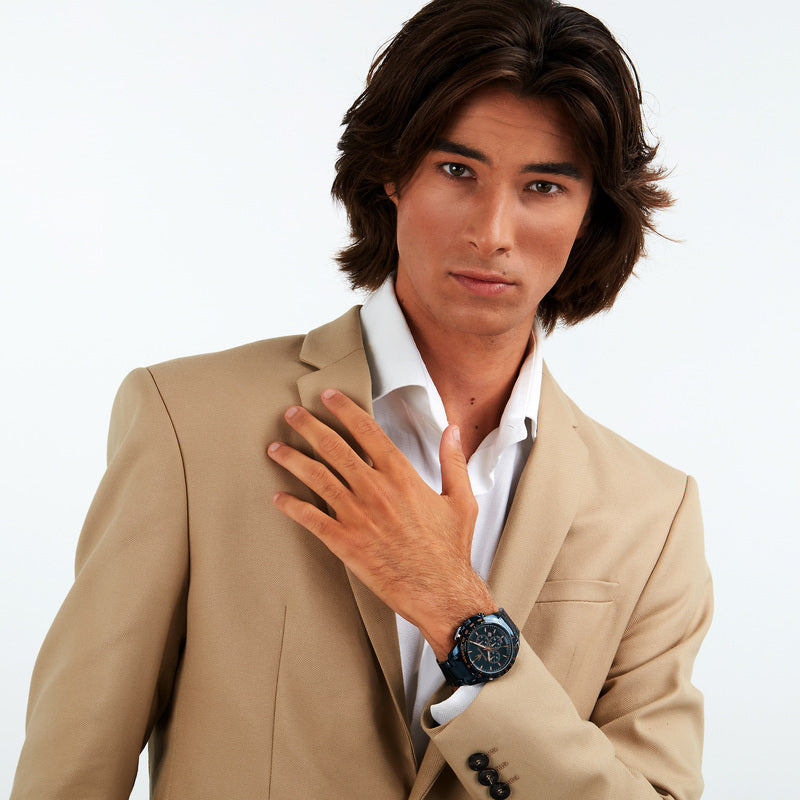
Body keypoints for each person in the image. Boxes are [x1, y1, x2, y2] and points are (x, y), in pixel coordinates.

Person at [11, 0, 712, 798]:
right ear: (392, 174)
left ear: (590, 217)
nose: (493, 230)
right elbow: (71, 772)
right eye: (457, 171)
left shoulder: (652, 515)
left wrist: (460, 615)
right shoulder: (188, 424)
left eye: (544, 186)